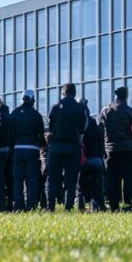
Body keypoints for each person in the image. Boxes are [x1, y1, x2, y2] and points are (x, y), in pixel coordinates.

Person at [45, 83, 88, 211]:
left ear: (62, 93)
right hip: (73, 146)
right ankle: (68, 207)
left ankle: (50, 206)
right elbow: (84, 128)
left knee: (52, 179)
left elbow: (50, 125)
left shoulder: (55, 107)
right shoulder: (81, 108)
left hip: (56, 145)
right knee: (71, 179)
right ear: (75, 93)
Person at [101, 86, 132, 212]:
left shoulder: (106, 110)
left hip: (111, 148)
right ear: (126, 96)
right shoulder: (131, 111)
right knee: (128, 177)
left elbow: (101, 128)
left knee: (112, 177)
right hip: (128, 148)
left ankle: (113, 204)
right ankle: (128, 204)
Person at [10, 89, 45, 212]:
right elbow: (41, 134)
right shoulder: (36, 115)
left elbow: (11, 133)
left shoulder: (14, 113)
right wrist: (43, 146)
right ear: (33, 100)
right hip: (32, 149)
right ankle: (31, 205)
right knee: (32, 179)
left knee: (18, 179)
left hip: (18, 148)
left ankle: (18, 206)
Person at [79, 101, 106, 211]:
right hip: (96, 160)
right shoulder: (97, 128)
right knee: (97, 186)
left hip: (83, 160)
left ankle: (81, 206)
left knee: (80, 186)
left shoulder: (80, 128)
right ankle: (99, 206)